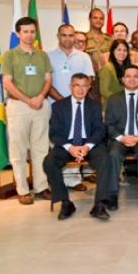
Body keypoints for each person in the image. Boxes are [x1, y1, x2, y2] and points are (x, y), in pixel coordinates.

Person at [43, 73, 111, 220]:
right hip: (67, 144)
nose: (80, 89)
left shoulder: (95, 106)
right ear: (70, 87)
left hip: (90, 143)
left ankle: (100, 205)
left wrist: (86, 146)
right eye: (76, 85)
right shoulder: (58, 106)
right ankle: (65, 203)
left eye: (84, 86)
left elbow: (100, 130)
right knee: (49, 162)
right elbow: (54, 133)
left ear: (89, 88)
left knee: (106, 159)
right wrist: (71, 148)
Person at [1, 17, 53, 205]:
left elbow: (48, 80)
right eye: (25, 31)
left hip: (41, 105)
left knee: (41, 149)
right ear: (18, 34)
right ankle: (22, 190)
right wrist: (27, 100)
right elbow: (7, 82)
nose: (29, 35)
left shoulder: (42, 55)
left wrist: (39, 97)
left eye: (32, 31)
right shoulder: (10, 55)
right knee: (19, 150)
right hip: (18, 106)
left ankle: (41, 187)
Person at [47, 24, 95, 192]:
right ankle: (58, 183)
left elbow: (88, 81)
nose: (67, 38)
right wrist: (64, 102)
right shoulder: (49, 56)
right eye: (64, 35)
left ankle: (74, 180)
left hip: (79, 106)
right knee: (59, 144)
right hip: (56, 106)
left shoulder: (83, 57)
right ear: (58, 36)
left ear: (74, 36)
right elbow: (47, 83)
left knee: (77, 138)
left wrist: (74, 100)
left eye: (70, 35)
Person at [105, 65, 138, 210]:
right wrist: (122, 138)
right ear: (123, 79)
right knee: (113, 154)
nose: (132, 79)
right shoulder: (113, 99)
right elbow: (108, 125)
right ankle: (113, 194)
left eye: (135, 76)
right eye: (128, 76)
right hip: (120, 139)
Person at [98, 39, 130, 107]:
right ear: (113, 51)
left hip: (125, 106)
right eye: (119, 50)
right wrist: (120, 100)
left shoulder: (128, 68)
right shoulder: (107, 68)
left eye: (125, 50)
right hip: (112, 106)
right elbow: (104, 91)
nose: (122, 53)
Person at [85, 8, 112, 73]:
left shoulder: (109, 39)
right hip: (90, 76)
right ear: (89, 19)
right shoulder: (84, 39)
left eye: (101, 18)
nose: (98, 20)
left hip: (106, 75)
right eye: (95, 18)